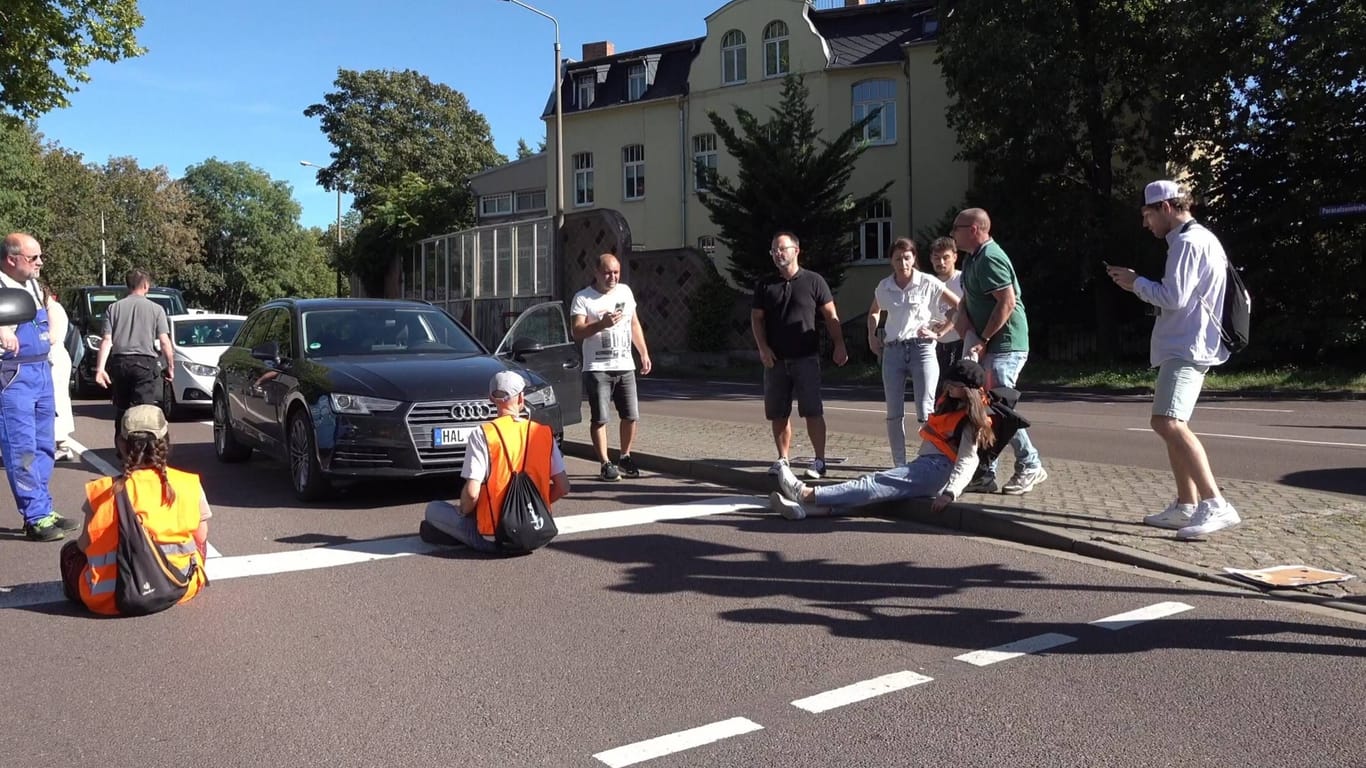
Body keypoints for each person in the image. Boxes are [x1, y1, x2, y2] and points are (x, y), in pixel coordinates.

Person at [1105, 180, 1240, 538]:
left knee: (1167, 423)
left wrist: (1135, 283)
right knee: (1171, 422)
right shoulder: (1200, 238)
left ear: (1166, 208)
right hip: (1188, 343)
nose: (1145, 224)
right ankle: (1186, 505)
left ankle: (1215, 504)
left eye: (1148, 215)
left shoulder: (1186, 242)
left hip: (1186, 345)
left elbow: (1174, 297)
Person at [768, 359, 995, 520]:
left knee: (874, 483)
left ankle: (806, 494)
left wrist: (949, 493)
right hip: (928, 466)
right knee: (878, 497)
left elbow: (968, 460)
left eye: (953, 385)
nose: (947, 388)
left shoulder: (970, 420)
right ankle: (809, 510)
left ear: (967, 390)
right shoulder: (953, 403)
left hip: (937, 469)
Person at [59, 404, 210, 615]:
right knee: (198, 543)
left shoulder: (102, 491)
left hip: (107, 598)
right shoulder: (188, 484)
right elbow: (201, 537)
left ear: (121, 444)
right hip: (179, 586)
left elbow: (85, 546)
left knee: (70, 551)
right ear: (165, 442)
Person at [951, 208, 1047, 495]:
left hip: (1006, 345)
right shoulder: (972, 259)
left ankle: (1030, 464)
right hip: (987, 344)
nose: (952, 233)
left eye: (956, 228)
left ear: (975, 229)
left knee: (998, 407)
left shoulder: (991, 257)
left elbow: (1006, 302)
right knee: (983, 406)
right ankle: (986, 473)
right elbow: (965, 303)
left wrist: (982, 338)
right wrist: (968, 335)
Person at [420, 371, 571, 552]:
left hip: (495, 537)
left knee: (433, 510)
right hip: (538, 533)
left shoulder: (483, 434)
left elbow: (472, 494)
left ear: (492, 398)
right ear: (521, 398)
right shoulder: (543, 433)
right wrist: (531, 508)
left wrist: (463, 511)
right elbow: (563, 487)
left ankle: (449, 533)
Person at [752, 231, 848, 480]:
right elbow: (756, 318)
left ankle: (819, 461)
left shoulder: (814, 281)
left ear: (796, 250)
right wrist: (762, 348)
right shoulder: (765, 285)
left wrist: (839, 344)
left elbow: (830, 315)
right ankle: (782, 460)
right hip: (776, 360)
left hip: (806, 357)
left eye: (782, 249)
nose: (777, 254)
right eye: (773, 250)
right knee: (778, 412)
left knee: (812, 410)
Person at [0, 233, 74, 542]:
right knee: (22, 449)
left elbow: (49, 316)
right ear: (10, 259)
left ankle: (43, 508)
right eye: (34, 258)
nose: (40, 263)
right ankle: (35, 516)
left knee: (45, 445)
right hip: (14, 374)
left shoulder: (31, 283)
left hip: (41, 370)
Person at [866, 237, 958, 465]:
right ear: (891, 261)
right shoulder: (884, 286)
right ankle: (899, 464)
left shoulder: (927, 282)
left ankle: (930, 460)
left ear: (914, 258)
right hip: (894, 351)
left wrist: (940, 332)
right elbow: (874, 311)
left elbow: (959, 306)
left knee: (926, 410)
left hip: (922, 350)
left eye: (907, 258)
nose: (903, 263)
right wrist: (872, 335)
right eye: (898, 259)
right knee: (894, 412)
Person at [570, 253, 652, 482]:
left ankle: (625, 456)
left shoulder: (625, 292)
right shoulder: (583, 298)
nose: (612, 277)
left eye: (616, 272)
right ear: (596, 273)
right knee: (600, 418)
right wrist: (600, 324)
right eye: (607, 273)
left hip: (624, 364)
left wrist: (643, 352)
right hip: (597, 367)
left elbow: (633, 323)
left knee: (631, 415)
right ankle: (606, 463)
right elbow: (576, 331)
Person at [93, 268, 174, 446]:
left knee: (122, 409)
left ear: (127, 285)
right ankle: (141, 451)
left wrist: (100, 369)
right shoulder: (156, 309)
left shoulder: (113, 308)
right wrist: (170, 366)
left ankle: (122, 450)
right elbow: (165, 341)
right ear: (146, 285)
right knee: (142, 412)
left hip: (120, 363)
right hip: (145, 363)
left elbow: (106, 340)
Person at [38, 279, 76, 461]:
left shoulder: (54, 309)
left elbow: (53, 336)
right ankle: (61, 442)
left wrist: (36, 337)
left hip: (55, 357)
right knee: (56, 398)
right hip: (54, 357)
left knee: (57, 398)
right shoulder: (51, 308)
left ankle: (62, 442)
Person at [927, 236, 965, 387]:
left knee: (956, 387)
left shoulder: (963, 280)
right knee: (937, 390)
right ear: (931, 259)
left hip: (960, 342)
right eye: (936, 258)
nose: (941, 262)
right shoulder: (928, 283)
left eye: (945, 257)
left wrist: (944, 328)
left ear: (955, 257)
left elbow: (962, 310)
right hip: (935, 346)